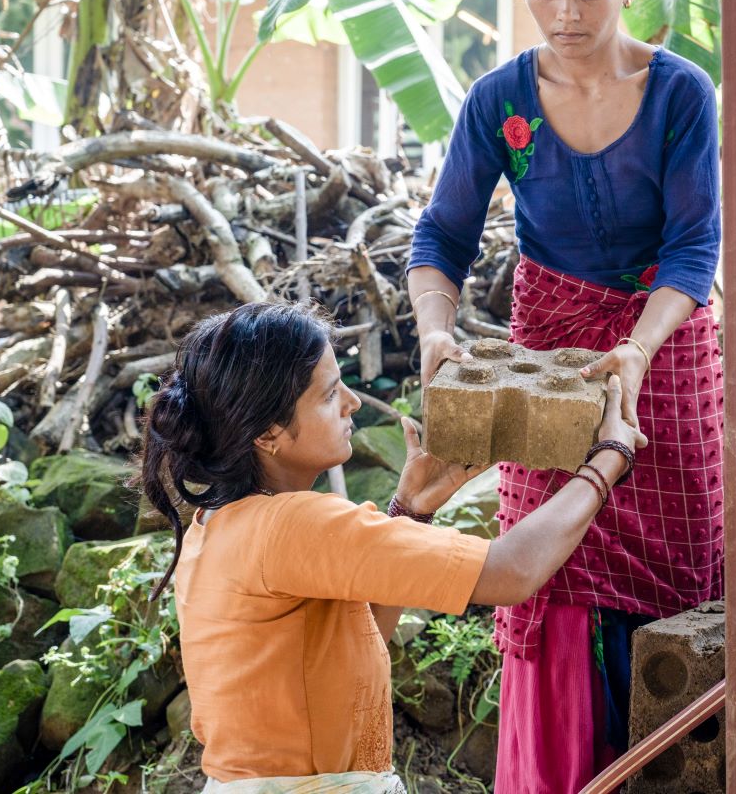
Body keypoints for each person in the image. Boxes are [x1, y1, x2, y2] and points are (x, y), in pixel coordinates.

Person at [407, 0, 724, 791]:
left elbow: (694, 249)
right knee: (552, 569)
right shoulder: (498, 102)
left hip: (661, 350)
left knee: (673, 565)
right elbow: (440, 237)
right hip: (550, 354)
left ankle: (664, 762)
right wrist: (437, 331)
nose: (567, 13)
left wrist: (636, 346)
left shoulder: (679, 96)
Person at [139, 300, 644, 792]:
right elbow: (511, 571)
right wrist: (606, 462)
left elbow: (357, 645)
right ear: (269, 433)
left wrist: (411, 513)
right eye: (329, 393)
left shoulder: (216, 523)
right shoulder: (291, 523)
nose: (352, 403)